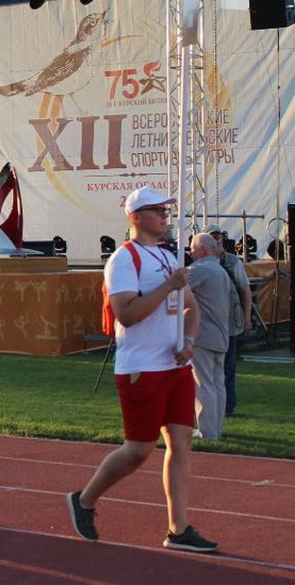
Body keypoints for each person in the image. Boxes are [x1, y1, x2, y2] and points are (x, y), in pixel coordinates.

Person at [66, 186, 217, 553]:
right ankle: (85, 499)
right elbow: (127, 315)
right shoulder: (124, 259)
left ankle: (178, 528)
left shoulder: (167, 257)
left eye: (166, 209)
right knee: (138, 450)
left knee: (181, 443)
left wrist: (189, 341)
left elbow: (191, 309)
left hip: (174, 366)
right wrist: (169, 286)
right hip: (141, 368)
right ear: (136, 216)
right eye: (156, 210)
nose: (165, 216)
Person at [187, 233, 231, 441]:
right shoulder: (220, 270)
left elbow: (174, 287)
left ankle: (207, 431)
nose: (190, 252)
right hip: (220, 333)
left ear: (203, 249)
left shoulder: (201, 269)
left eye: (192, 248)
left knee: (204, 384)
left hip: (203, 333)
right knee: (216, 383)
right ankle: (215, 428)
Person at [206, 225, 253, 416]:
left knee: (228, 366)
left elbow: (245, 290)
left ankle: (227, 405)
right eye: (212, 237)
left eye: (218, 237)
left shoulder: (232, 262)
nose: (216, 240)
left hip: (229, 322)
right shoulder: (196, 262)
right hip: (205, 323)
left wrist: (247, 318)